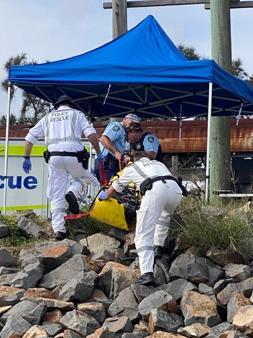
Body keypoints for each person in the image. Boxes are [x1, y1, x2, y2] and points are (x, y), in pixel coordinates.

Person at [22, 95, 103, 241]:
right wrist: (99, 153)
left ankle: (59, 230)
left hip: (54, 157)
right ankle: (73, 192)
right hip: (75, 156)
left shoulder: (47, 117)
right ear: (70, 104)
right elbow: (91, 135)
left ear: (57, 105)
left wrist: (26, 158)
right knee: (86, 177)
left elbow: (29, 139)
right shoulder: (77, 114)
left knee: (56, 193)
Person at [98, 151, 183, 286]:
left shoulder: (132, 167)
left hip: (155, 190)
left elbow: (115, 188)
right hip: (176, 191)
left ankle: (147, 273)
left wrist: (104, 196)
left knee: (143, 234)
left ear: (133, 160)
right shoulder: (158, 163)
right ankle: (158, 247)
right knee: (164, 215)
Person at [95, 113, 140, 182]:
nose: (132, 127)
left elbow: (120, 148)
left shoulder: (124, 132)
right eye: (131, 123)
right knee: (110, 187)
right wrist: (115, 152)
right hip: (106, 162)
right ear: (125, 119)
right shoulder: (117, 127)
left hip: (111, 163)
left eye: (134, 125)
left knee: (111, 188)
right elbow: (103, 139)